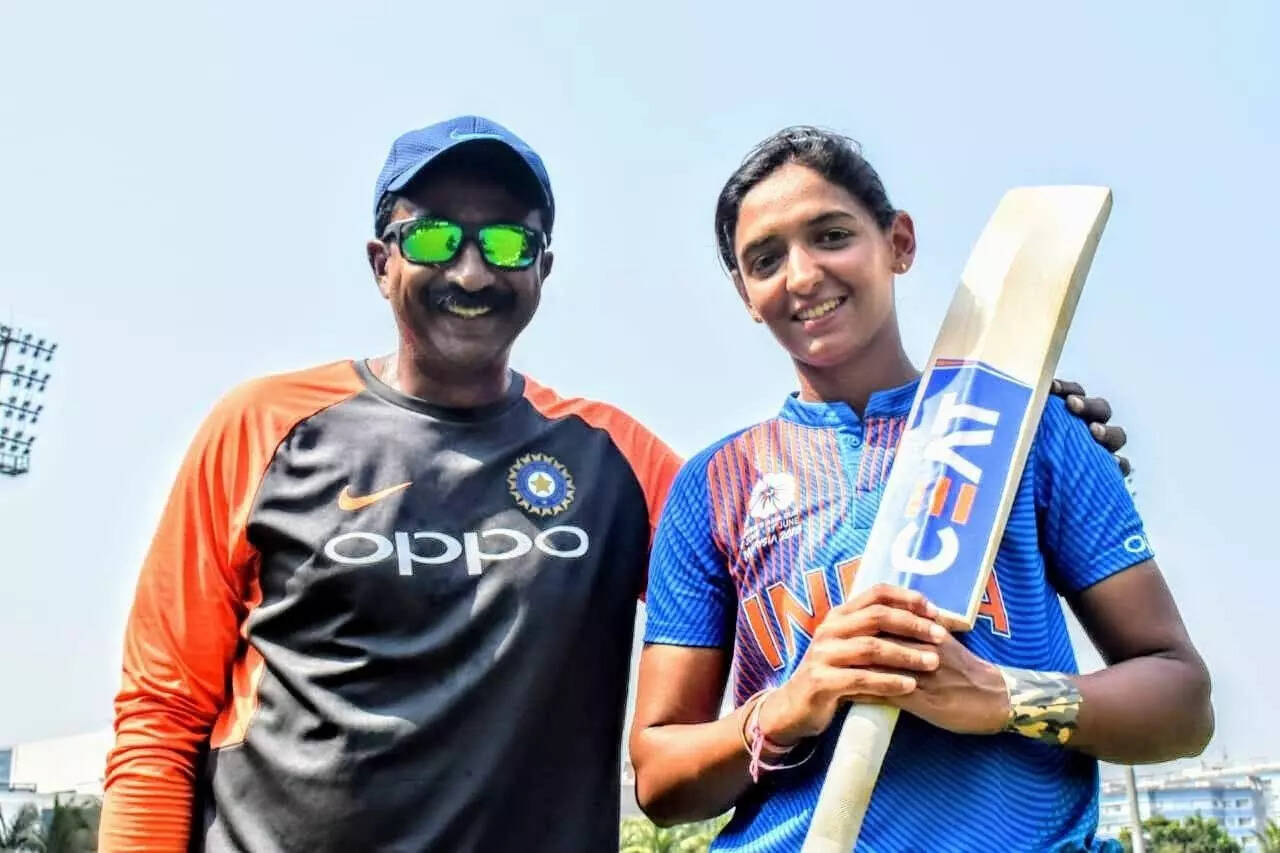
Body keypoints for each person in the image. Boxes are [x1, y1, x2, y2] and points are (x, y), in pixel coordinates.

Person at [100, 115, 1130, 852]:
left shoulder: (611, 456)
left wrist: (1003, 442)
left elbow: (796, 524)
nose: (470, 269)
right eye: (431, 237)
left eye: (506, 240)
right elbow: (159, 711)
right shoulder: (261, 426)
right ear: (381, 260)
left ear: (542, 267)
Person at [630, 126, 1212, 852]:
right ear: (746, 294)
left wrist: (1003, 698)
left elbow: (1183, 702)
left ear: (898, 242)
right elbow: (659, 776)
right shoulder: (716, 485)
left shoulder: (1029, 432)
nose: (803, 275)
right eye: (766, 259)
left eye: (832, 234)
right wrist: (787, 707)